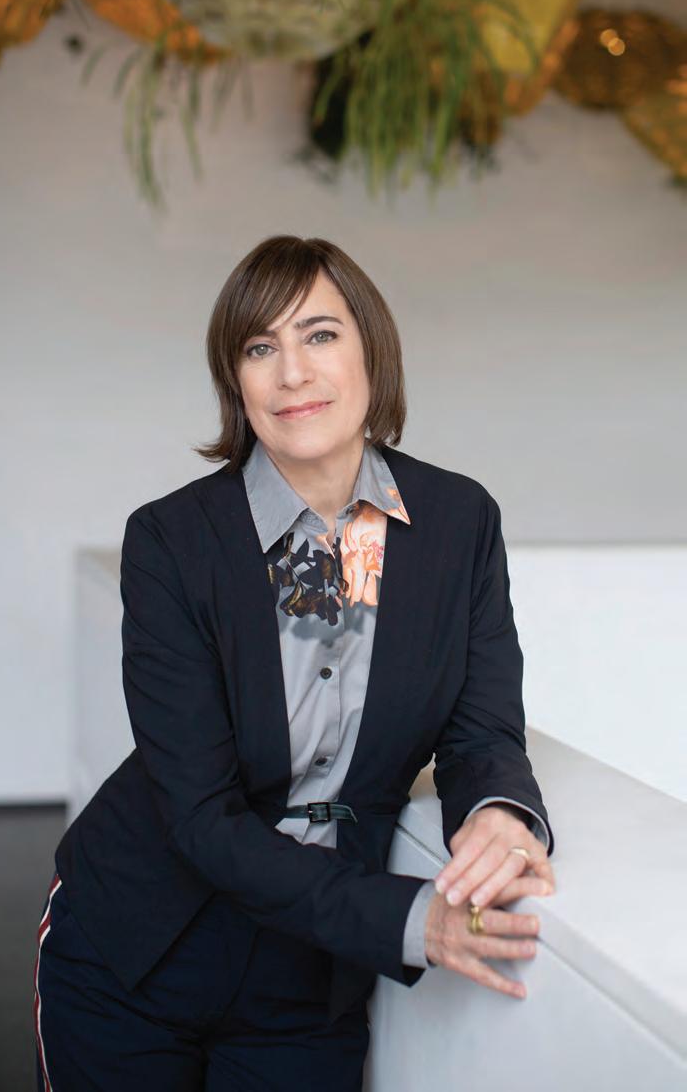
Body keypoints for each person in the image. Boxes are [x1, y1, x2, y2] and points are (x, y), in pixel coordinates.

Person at [33, 235, 556, 1091]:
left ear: (370, 350)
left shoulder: (459, 523)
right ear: (236, 382)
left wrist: (499, 812)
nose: (292, 373)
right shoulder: (171, 541)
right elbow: (200, 815)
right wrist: (410, 919)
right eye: (259, 347)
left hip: (312, 979)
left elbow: (482, 729)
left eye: (319, 335)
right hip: (136, 947)